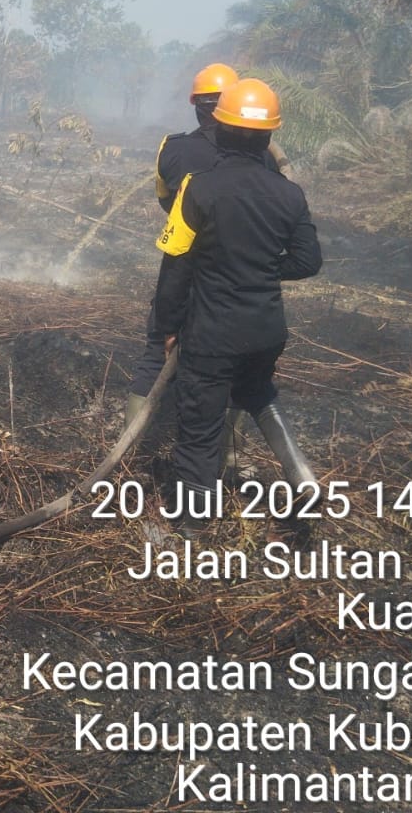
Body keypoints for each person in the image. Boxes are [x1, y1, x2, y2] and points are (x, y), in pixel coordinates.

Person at [151, 78, 323, 528]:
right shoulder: (290, 194)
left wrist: (166, 328)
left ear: (219, 129)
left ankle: (192, 529)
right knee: (257, 392)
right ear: (268, 137)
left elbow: (175, 268)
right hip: (266, 332)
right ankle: (302, 474)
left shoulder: (198, 188)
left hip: (212, 334)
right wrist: (260, 269)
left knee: (199, 426)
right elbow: (308, 261)